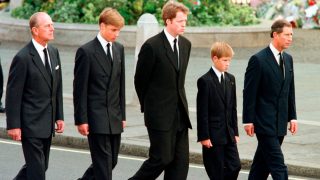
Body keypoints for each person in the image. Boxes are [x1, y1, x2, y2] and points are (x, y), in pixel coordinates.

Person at [129, 1, 192, 179]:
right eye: (180, 21)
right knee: (161, 158)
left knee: (180, 166)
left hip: (180, 114)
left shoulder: (186, 45)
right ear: (168, 21)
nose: (184, 25)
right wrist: (149, 107)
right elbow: (140, 81)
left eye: (185, 21)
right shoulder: (152, 46)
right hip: (159, 115)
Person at [6, 12, 64, 180]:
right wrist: (13, 125)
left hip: (47, 124)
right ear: (35, 30)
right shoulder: (23, 58)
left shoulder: (54, 52)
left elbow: (57, 88)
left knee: (40, 166)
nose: (52, 28)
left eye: (52, 25)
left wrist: (59, 116)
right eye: (47, 26)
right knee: (37, 171)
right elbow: (13, 95)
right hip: (30, 125)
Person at [73, 7, 126, 180]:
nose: (116, 34)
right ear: (102, 26)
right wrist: (81, 119)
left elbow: (121, 85)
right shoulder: (86, 52)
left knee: (112, 161)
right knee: (103, 166)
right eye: (113, 30)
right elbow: (79, 89)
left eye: (119, 30)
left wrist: (123, 115)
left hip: (114, 116)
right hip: (95, 117)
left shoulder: (119, 49)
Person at [243, 19, 298, 180]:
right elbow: (249, 92)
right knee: (278, 165)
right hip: (263, 122)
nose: (290, 38)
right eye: (287, 35)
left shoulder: (288, 59)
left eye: (291, 35)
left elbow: (290, 90)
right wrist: (248, 120)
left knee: (261, 166)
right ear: (275, 34)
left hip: (280, 121)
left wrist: (292, 116)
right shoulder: (258, 60)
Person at [197, 42, 241, 180]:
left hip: (229, 134)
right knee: (216, 171)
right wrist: (204, 136)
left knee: (235, 166)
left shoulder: (230, 79)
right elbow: (202, 111)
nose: (228, 64)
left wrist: (235, 131)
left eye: (229, 60)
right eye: (225, 60)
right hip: (213, 135)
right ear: (215, 59)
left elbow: (233, 108)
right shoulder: (205, 81)